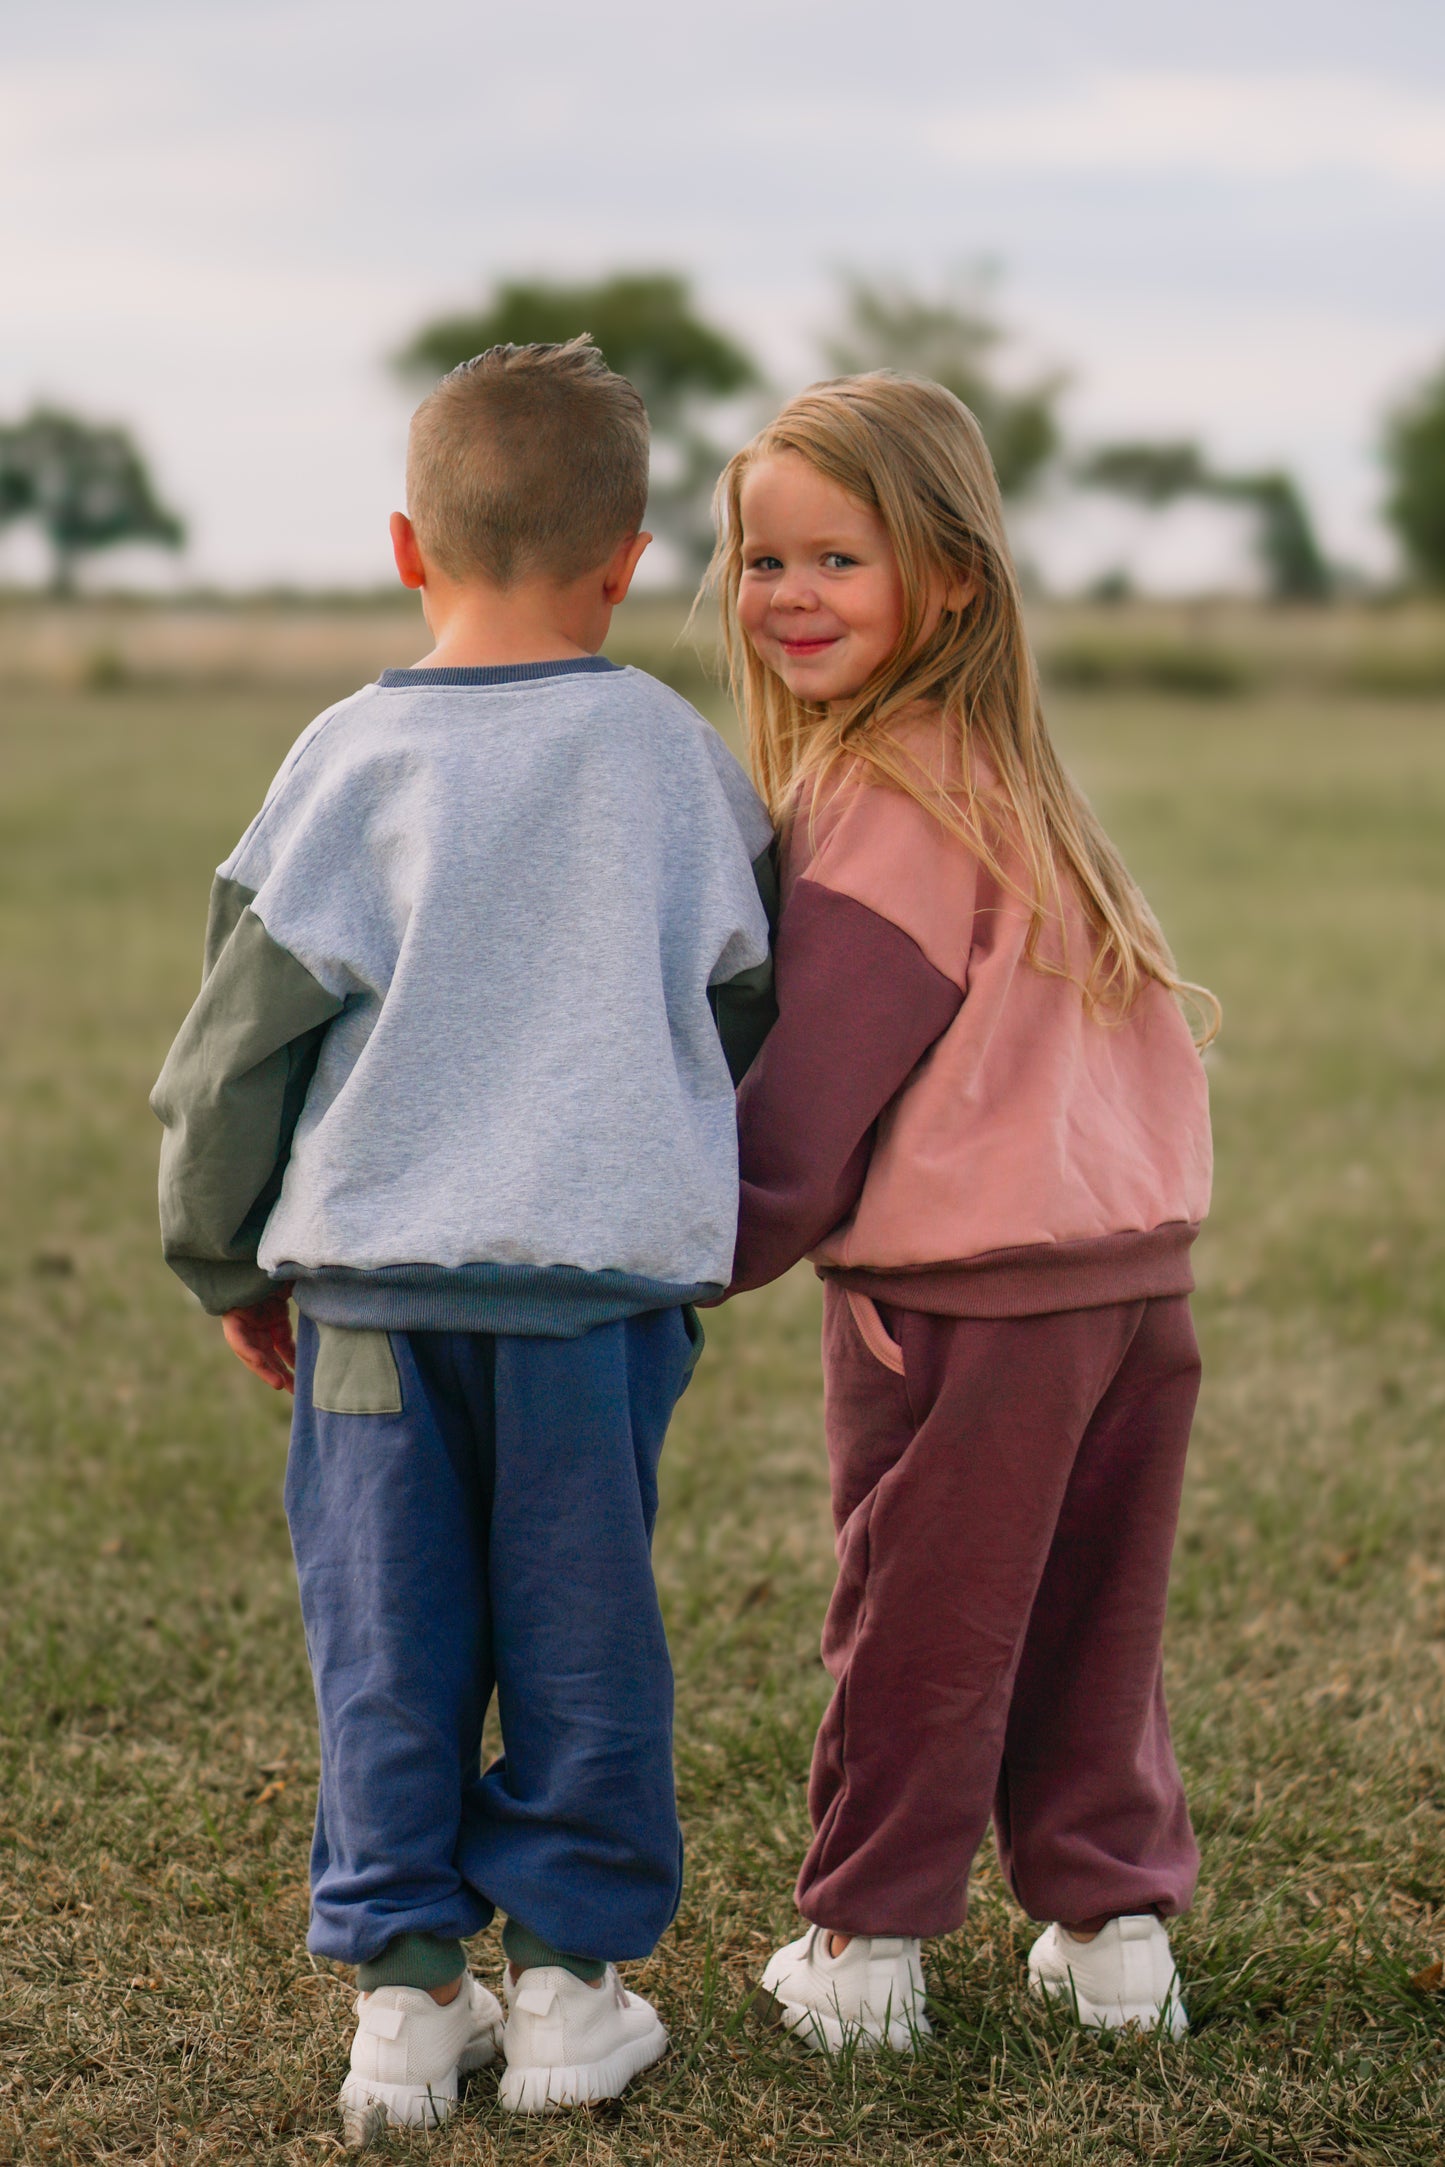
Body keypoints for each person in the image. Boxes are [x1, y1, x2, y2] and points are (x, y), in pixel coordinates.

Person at [151, 339, 775, 2139]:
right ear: (628, 562)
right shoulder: (673, 760)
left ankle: (409, 2000)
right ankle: (575, 1989)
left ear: (410, 548)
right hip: (589, 1303)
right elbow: (741, 1003)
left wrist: (222, 1260)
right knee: (584, 1635)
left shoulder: (346, 761)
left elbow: (232, 1052)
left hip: (361, 1300)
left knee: (387, 1637)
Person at [708, 372, 1215, 2050]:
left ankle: (862, 1955)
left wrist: (696, 1250)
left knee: (918, 1623)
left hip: (961, 1303)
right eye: (761, 560)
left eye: (835, 560)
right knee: (1088, 1615)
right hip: (1129, 1291)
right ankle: (1113, 1928)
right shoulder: (1014, 779)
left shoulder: (879, 796)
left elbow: (808, 1104)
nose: (786, 595)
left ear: (951, 580)